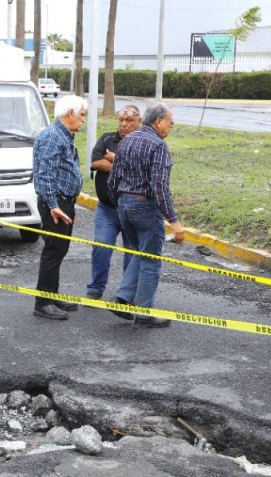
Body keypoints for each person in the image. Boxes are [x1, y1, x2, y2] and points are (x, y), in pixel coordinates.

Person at [106, 102, 185, 328]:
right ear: (158, 122)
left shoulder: (127, 140)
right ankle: (144, 314)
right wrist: (174, 221)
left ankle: (122, 298)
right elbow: (159, 187)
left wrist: (120, 203)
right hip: (145, 207)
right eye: (171, 123)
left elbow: (113, 180)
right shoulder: (158, 145)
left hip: (123, 205)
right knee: (150, 260)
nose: (171, 127)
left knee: (139, 254)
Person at [30, 94, 86, 320]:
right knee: (53, 251)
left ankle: (51, 295)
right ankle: (43, 303)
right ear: (70, 114)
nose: (83, 120)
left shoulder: (63, 135)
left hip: (64, 203)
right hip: (55, 204)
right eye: (82, 115)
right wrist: (55, 205)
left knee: (60, 250)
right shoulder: (53, 137)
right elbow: (44, 175)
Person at [86, 105, 141, 300]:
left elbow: (139, 170)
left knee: (132, 253)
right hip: (107, 209)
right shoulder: (108, 138)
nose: (124, 124)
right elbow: (95, 161)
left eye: (129, 121)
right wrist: (122, 164)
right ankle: (95, 289)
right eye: (121, 120)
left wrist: (113, 159)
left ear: (139, 122)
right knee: (101, 245)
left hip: (132, 210)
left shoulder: (142, 143)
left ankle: (126, 296)